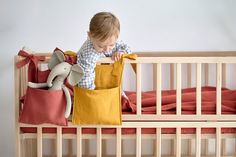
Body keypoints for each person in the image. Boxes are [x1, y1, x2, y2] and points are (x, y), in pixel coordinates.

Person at [77, 12, 131, 90]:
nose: (107, 49)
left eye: (111, 45)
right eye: (101, 46)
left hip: (105, 82)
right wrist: (92, 95)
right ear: (90, 36)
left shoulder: (113, 41)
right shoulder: (88, 54)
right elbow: (85, 78)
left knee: (119, 95)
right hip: (90, 87)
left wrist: (121, 52)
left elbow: (127, 48)